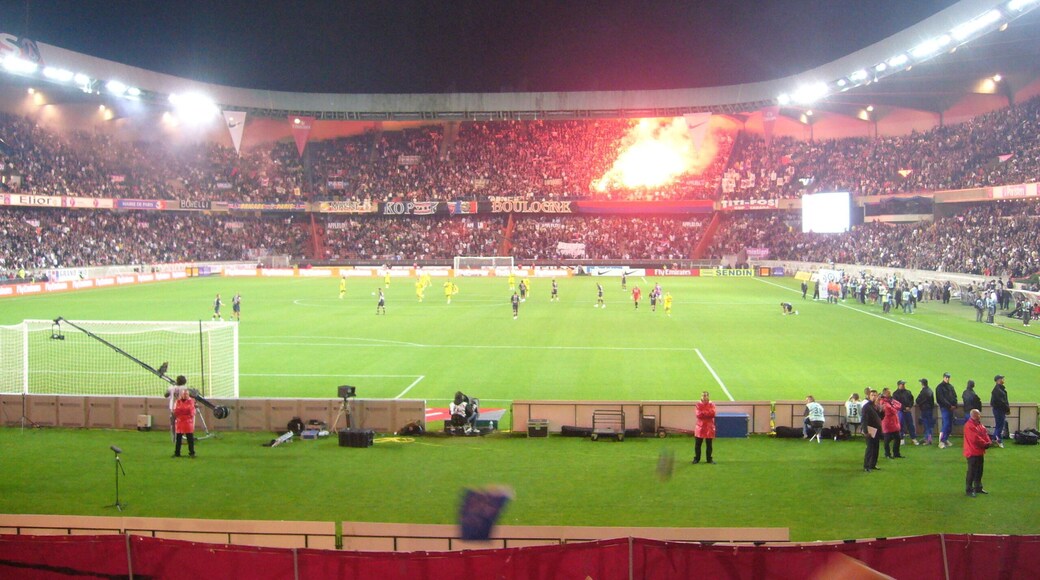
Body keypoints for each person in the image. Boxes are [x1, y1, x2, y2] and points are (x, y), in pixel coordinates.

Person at [963, 409, 992, 497]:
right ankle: (969, 489)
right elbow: (975, 439)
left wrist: (988, 442)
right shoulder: (970, 426)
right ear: (974, 416)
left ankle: (978, 487)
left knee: (979, 470)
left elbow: (985, 434)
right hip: (972, 452)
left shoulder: (978, 425)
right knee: (972, 471)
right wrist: (986, 444)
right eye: (978, 415)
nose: (980, 416)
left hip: (979, 451)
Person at [878, 388, 903, 459]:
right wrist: (894, 407)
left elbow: (899, 405)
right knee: (887, 440)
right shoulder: (882, 402)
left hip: (894, 423)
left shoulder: (891, 400)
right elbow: (890, 410)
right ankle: (887, 454)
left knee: (897, 439)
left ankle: (896, 453)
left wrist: (894, 407)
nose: (890, 394)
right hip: (887, 423)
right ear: (884, 394)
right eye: (888, 393)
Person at [692, 391, 716, 464]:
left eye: (705, 396)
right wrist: (707, 413)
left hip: (709, 426)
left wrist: (703, 412)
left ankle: (709, 459)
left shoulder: (712, 404)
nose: (704, 397)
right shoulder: (698, 405)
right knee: (698, 444)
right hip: (700, 427)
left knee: (709, 445)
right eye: (703, 395)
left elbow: (713, 413)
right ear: (701, 396)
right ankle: (697, 459)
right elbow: (698, 414)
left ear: (708, 396)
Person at [862, 389, 883, 472]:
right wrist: (866, 431)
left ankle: (872, 464)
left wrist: (882, 411)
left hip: (876, 430)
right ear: (869, 396)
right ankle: (866, 466)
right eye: (872, 395)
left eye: (875, 395)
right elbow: (864, 420)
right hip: (870, 430)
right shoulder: (866, 407)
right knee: (870, 448)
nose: (874, 397)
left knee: (876, 448)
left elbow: (880, 418)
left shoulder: (875, 406)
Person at [935, 373, 958, 449]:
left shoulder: (950, 387)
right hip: (945, 408)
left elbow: (954, 396)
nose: (947, 379)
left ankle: (945, 439)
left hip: (950, 408)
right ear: (944, 377)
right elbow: (940, 399)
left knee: (949, 424)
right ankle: (941, 441)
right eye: (946, 377)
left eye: (948, 377)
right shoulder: (939, 387)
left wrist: (955, 405)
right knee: (946, 423)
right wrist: (950, 405)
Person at [173, 388, 197, 458]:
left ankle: (192, 453)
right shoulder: (178, 401)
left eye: (186, 394)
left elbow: (191, 412)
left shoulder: (191, 401)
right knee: (178, 439)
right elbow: (176, 411)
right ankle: (177, 453)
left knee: (190, 439)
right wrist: (184, 412)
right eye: (184, 394)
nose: (185, 395)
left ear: (188, 395)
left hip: (187, 422)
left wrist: (182, 412)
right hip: (180, 422)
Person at [892, 380, 918, 445]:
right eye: (902, 384)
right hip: (900, 411)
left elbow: (912, 400)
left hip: (907, 411)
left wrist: (909, 407)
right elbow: (896, 403)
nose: (903, 385)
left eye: (904, 384)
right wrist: (904, 408)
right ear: (898, 385)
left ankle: (913, 438)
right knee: (900, 425)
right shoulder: (895, 394)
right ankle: (901, 438)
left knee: (910, 425)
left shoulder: (908, 392)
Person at [164, 375, 188, 443]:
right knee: (183, 423)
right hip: (181, 408)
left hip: (173, 408)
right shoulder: (184, 388)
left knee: (173, 424)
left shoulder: (171, 387)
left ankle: (174, 439)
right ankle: (181, 438)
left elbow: (166, 395)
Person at [991, 375, 1010, 448]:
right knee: (1000, 426)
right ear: (998, 380)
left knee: (999, 426)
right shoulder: (998, 390)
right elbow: (1002, 402)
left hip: (999, 410)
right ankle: (997, 440)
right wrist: (1007, 409)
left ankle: (994, 439)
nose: (1003, 379)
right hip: (999, 410)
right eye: (1002, 378)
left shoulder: (998, 389)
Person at [916, 378, 936, 445]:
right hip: (930, 410)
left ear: (922, 384)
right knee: (929, 425)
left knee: (926, 425)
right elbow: (932, 402)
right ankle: (929, 439)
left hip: (925, 410)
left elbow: (918, 400)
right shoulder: (930, 390)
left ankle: (927, 440)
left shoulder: (923, 391)